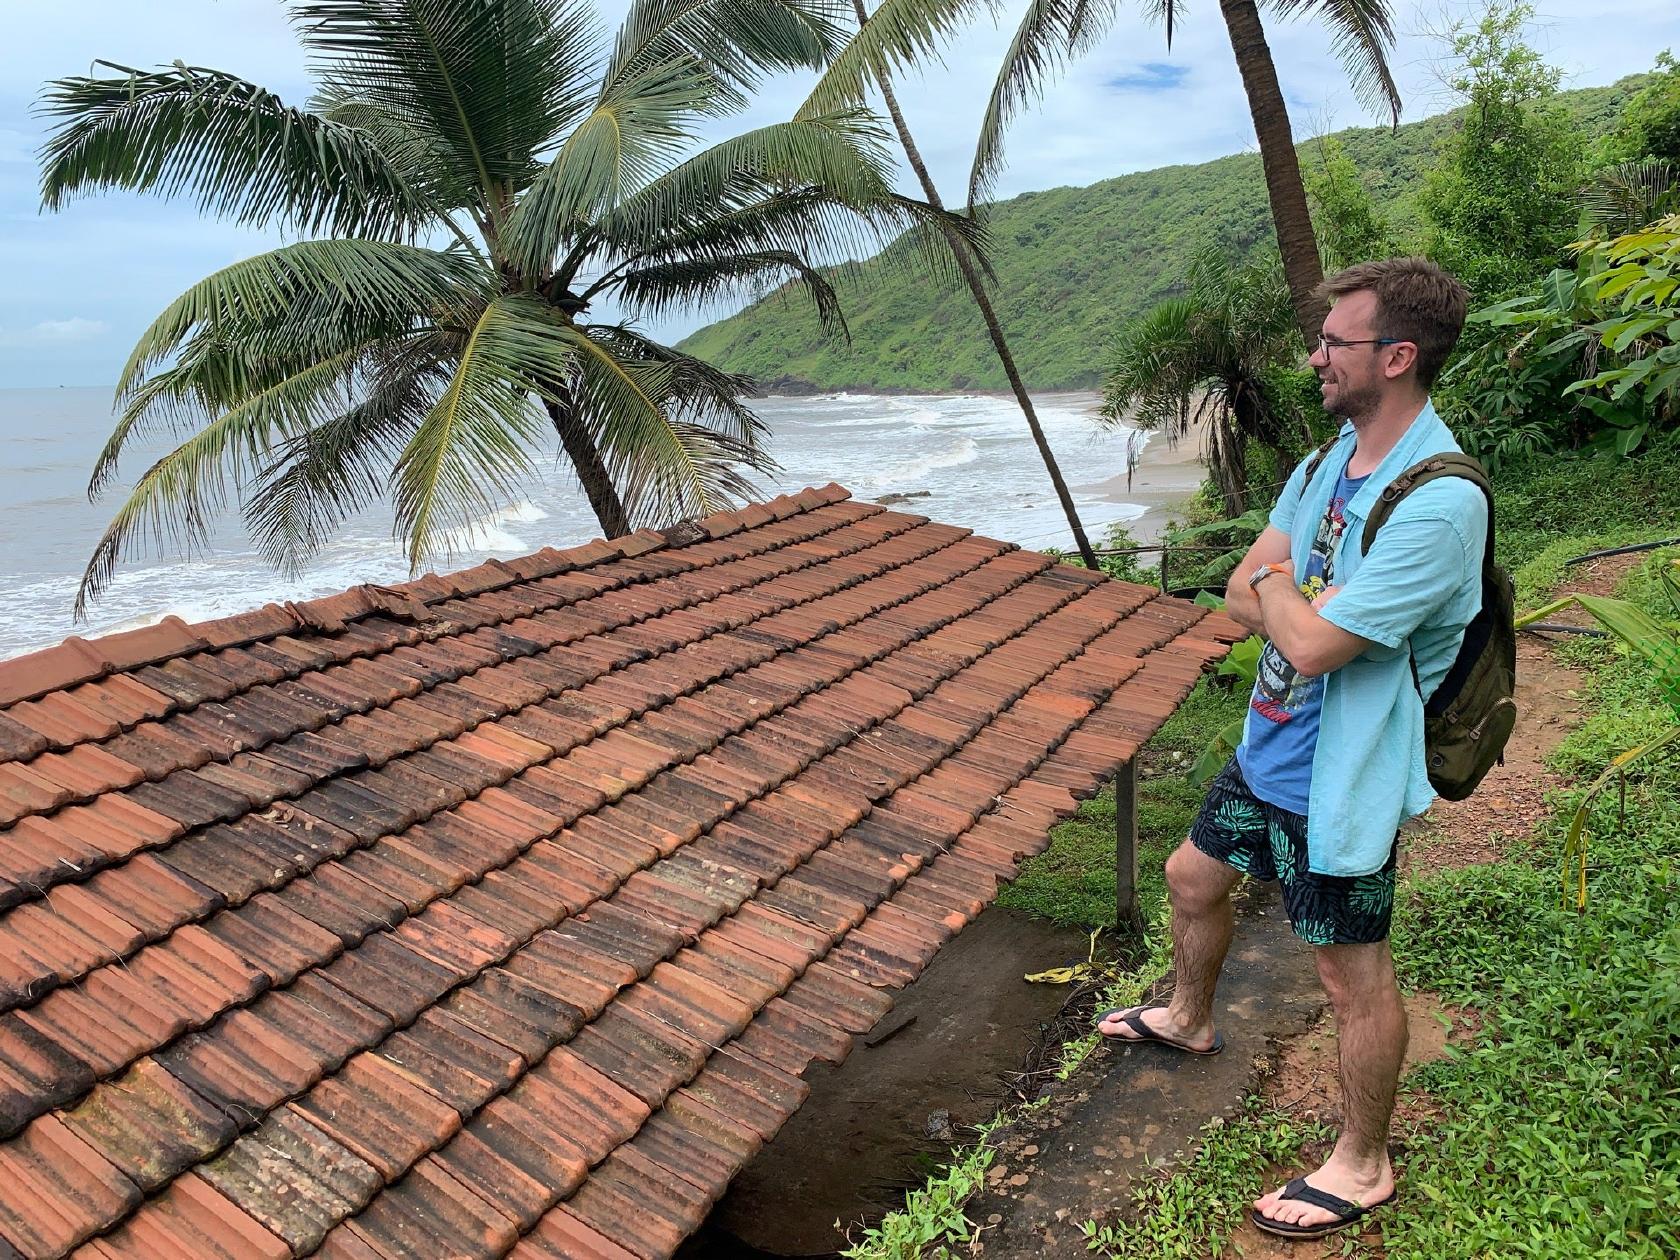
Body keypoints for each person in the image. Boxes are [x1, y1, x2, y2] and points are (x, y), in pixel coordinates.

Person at [1097, 257, 1485, 1241]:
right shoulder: (1321, 466)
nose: (1315, 357)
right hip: (1265, 753)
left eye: (1334, 342)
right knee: (1192, 876)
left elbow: (1307, 642)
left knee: (1350, 979)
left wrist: (1281, 592)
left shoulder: (1440, 500)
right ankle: (1189, 1016)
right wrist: (1284, 592)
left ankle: (1362, 1163)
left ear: (1396, 356)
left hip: (1338, 782)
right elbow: (1240, 592)